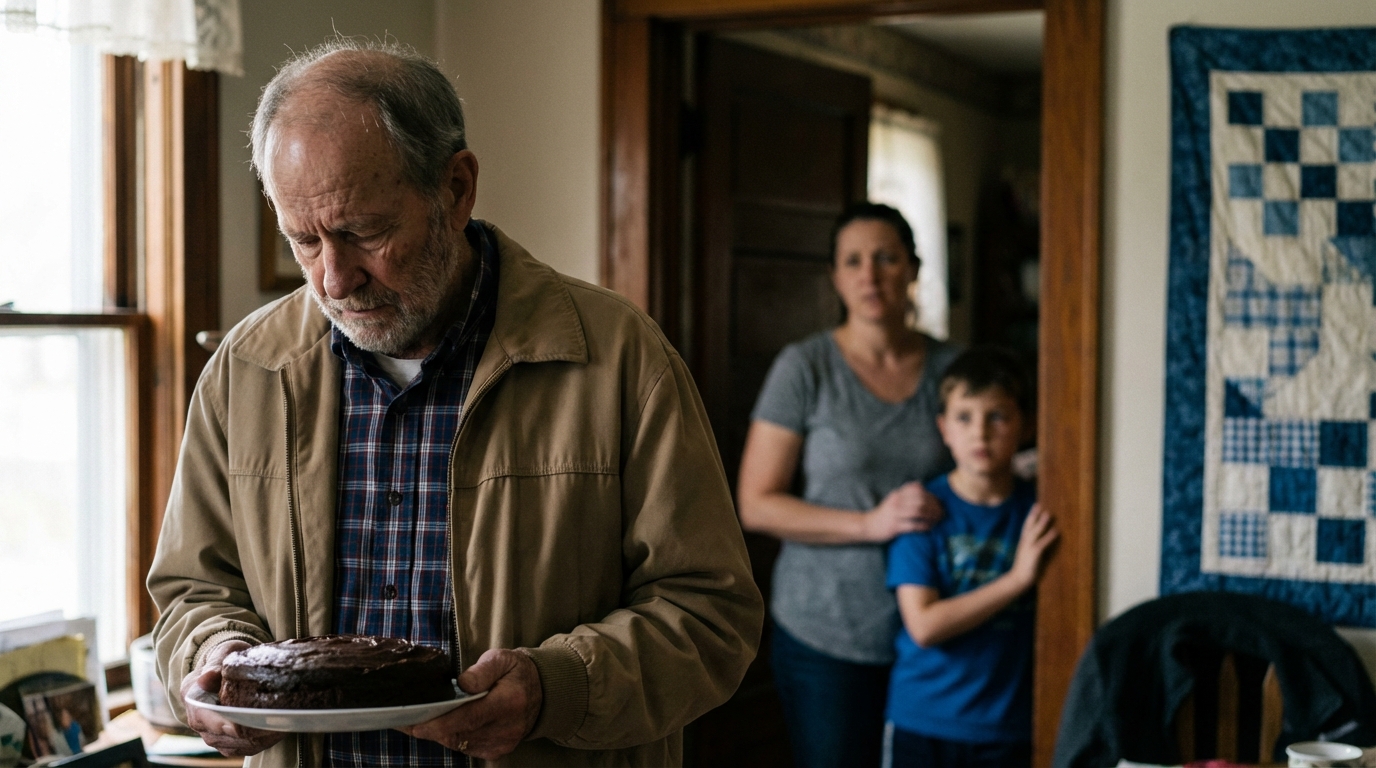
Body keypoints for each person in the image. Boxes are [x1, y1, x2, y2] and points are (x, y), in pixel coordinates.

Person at [147, 39, 763, 768]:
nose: (334, 280)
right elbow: (192, 590)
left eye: (363, 232)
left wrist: (554, 687)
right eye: (302, 240)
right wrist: (220, 657)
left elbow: (710, 615)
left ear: (456, 187)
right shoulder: (246, 369)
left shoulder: (620, 359)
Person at [737, 202, 959, 768]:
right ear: (836, 277)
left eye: (886, 258)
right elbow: (756, 503)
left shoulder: (953, 369)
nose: (870, 274)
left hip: (936, 630)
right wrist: (869, 523)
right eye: (853, 260)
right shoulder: (804, 367)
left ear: (913, 267)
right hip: (826, 636)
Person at [883, 347, 1057, 767]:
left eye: (997, 416)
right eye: (964, 418)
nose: (980, 433)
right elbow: (924, 625)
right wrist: (1017, 580)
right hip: (923, 721)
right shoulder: (924, 512)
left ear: (1026, 425)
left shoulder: (1039, 512)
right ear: (944, 428)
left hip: (1007, 726)